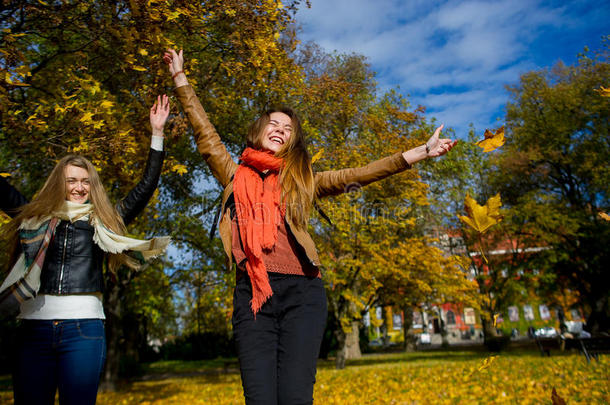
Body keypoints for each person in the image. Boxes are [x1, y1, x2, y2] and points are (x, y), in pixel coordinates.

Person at [164, 49, 456, 405]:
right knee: (259, 398)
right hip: (254, 295)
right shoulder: (233, 173)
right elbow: (205, 135)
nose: (280, 130)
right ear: (259, 129)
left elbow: (356, 175)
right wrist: (181, 80)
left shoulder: (301, 179)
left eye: (288, 129)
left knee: (295, 398)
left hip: (303, 293)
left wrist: (418, 153)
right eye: (274, 123)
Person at [0, 95, 172, 405]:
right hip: (33, 329)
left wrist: (157, 134)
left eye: (85, 182)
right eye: (72, 181)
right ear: (59, 184)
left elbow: (146, 186)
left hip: (84, 330)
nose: (79, 187)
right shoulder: (33, 217)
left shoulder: (103, 221)